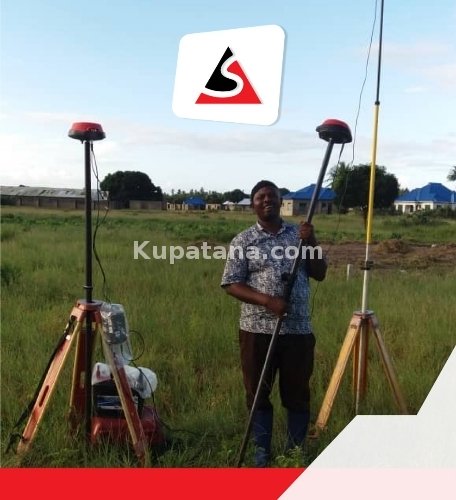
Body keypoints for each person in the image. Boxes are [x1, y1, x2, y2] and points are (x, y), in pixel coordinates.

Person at [221, 180, 327, 467]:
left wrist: (312, 241)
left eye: (272, 196)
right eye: (261, 197)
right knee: (258, 392)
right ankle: (261, 452)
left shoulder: (298, 235)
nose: (267, 200)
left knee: (297, 393)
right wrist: (267, 301)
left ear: (281, 202)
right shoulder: (244, 240)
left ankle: (295, 453)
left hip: (297, 331)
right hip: (256, 330)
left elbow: (320, 273)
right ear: (253, 205)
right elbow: (231, 283)